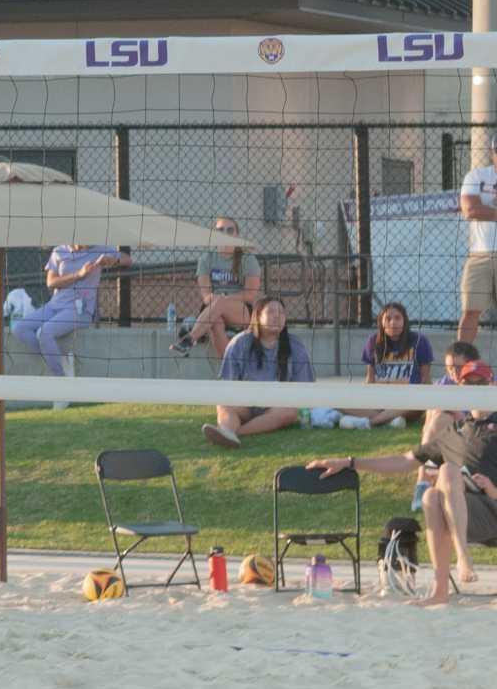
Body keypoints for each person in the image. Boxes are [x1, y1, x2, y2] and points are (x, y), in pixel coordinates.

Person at [309, 342, 497, 605]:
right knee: (432, 495)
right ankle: (440, 590)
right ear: (461, 390)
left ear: (492, 386)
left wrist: (493, 490)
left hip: (493, 507)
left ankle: (463, 557)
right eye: (470, 385)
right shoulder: (455, 432)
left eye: (481, 384)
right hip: (466, 512)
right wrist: (350, 462)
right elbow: (404, 461)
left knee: (448, 470)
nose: (476, 390)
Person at [204, 298, 314, 447]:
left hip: (276, 407)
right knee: (224, 404)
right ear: (258, 316)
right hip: (245, 405)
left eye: (281, 313)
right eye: (271, 312)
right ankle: (227, 430)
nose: (277, 316)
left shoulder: (296, 346)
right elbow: (227, 385)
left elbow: (305, 388)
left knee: (290, 412)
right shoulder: (240, 343)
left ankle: (234, 434)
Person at [11, 241, 127, 377]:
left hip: (79, 311)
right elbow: (51, 282)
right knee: (19, 328)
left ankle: (60, 379)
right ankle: (57, 359)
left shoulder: (99, 249)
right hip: (54, 306)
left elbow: (128, 260)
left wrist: (113, 260)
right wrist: (79, 274)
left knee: (44, 333)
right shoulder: (59, 251)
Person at [173, 217, 261, 363]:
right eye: (220, 230)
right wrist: (219, 302)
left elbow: (250, 296)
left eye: (230, 230)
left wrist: (223, 300)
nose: (225, 233)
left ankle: (190, 339)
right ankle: (231, 367)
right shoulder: (206, 259)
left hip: (241, 311)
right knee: (216, 322)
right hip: (212, 309)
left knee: (218, 304)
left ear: (237, 235)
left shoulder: (248, 259)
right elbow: (206, 296)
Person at [359, 302, 435, 428]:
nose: (393, 322)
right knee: (339, 402)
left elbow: (425, 379)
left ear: (404, 320)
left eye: (397, 318)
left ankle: (370, 422)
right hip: (380, 401)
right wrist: (364, 400)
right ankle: (389, 420)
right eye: (388, 319)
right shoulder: (373, 341)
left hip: (409, 401)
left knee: (415, 403)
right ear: (381, 323)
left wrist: (424, 403)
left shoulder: (419, 341)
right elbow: (370, 379)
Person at [461, 144, 497, 346]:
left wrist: (488, 210)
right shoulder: (476, 176)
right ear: (492, 153)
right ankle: (460, 364)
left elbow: (478, 208)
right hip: (479, 254)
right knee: (470, 311)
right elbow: (470, 210)